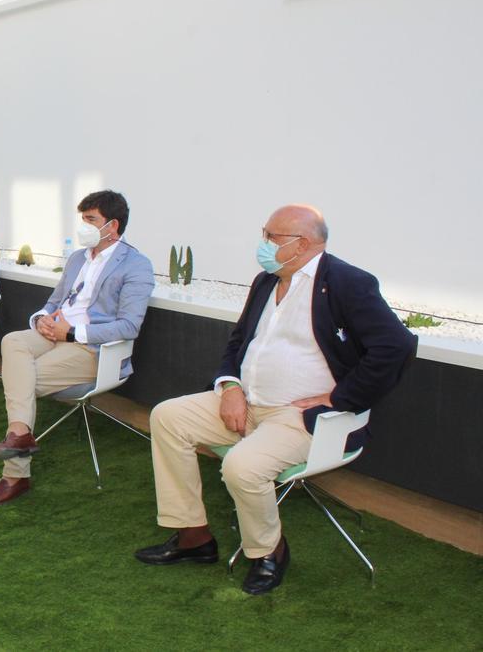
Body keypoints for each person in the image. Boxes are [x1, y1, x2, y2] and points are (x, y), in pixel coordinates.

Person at [133, 205, 417, 595]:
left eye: (270, 237)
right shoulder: (267, 280)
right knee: (167, 416)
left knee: (242, 466)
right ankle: (193, 536)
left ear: (301, 244)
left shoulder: (348, 282)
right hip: (246, 403)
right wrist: (230, 387)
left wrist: (339, 397)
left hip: (301, 417)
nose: (262, 244)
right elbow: (238, 343)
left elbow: (396, 347)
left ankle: (269, 551)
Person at [0, 190, 154, 505]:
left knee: (20, 379)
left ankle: (15, 474)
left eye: (91, 220)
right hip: (54, 334)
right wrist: (41, 320)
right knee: (12, 340)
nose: (83, 226)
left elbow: (129, 326)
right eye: (83, 219)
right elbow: (53, 303)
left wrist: (73, 333)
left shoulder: (137, 265)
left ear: (112, 225)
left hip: (92, 349)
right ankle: (20, 436)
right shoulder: (77, 258)